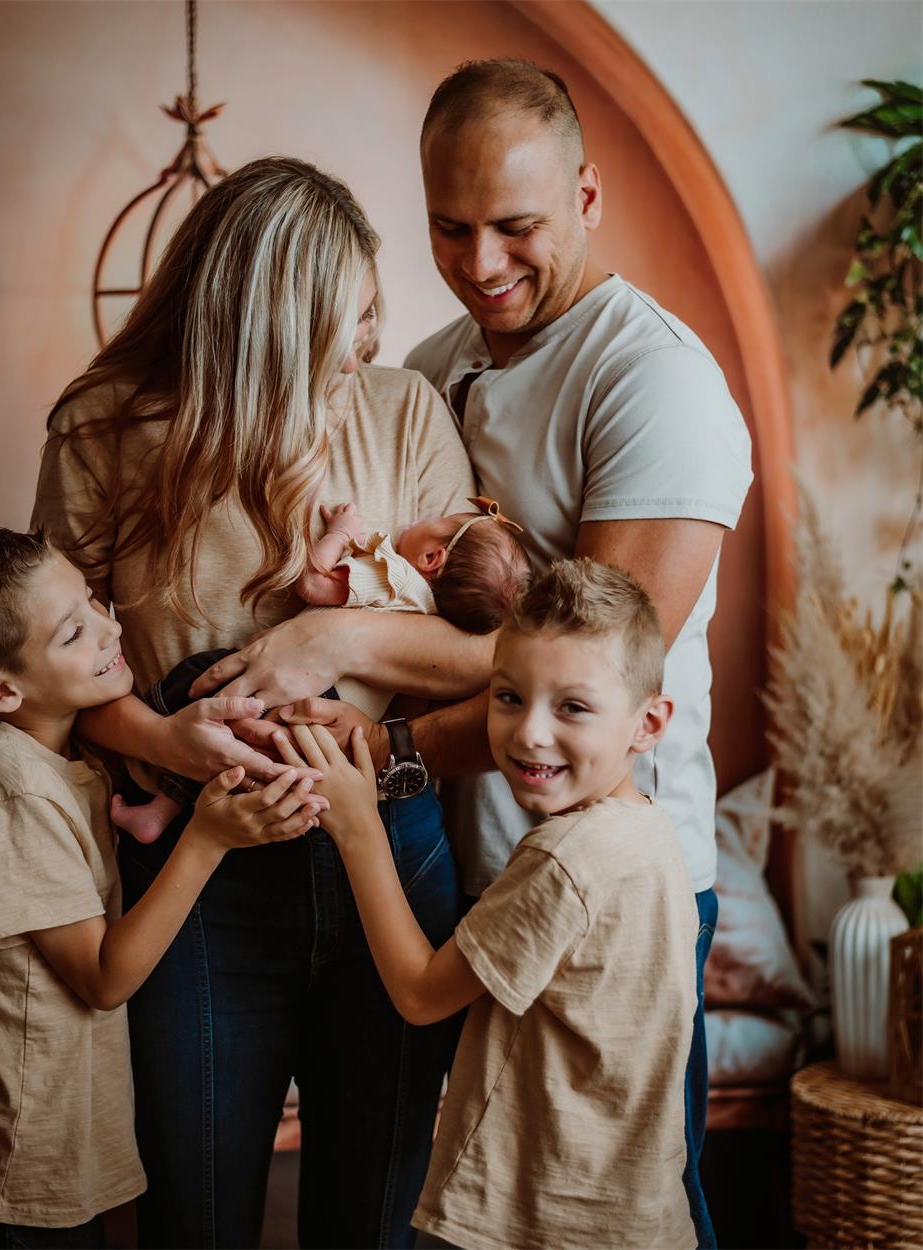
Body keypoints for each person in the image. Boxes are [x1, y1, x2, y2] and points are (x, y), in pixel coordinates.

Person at [189, 60, 753, 1246]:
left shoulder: (654, 380)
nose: (483, 261)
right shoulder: (437, 363)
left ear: (588, 199)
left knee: (631, 1194)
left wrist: (350, 674)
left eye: (517, 225)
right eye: (451, 228)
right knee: (500, 1191)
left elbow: (595, 669)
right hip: (466, 862)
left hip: (606, 881)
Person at [32, 157, 476, 1250]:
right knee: (197, 1213)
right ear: (265, 318)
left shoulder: (400, 411)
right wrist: (164, 741)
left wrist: (327, 634)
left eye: (372, 316)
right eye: (345, 320)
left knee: (372, 1219)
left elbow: (484, 651)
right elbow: (48, 677)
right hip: (198, 883)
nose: (364, 345)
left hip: (388, 851)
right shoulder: (101, 430)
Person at [281, 559, 698, 1250]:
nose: (530, 732)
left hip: (548, 1220)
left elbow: (419, 993)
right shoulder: (652, 836)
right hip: (640, 1214)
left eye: (572, 707)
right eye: (509, 697)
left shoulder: (563, 861)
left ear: (647, 723)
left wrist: (357, 824)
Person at [0, 528, 319, 1250]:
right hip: (16, 1161)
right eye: (75, 631)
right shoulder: (9, 795)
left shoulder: (59, 751)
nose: (111, 626)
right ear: (2, 689)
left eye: (92, 599)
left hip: (62, 1137)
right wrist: (207, 839)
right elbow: (103, 979)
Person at [113, 495, 530, 847]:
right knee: (227, 746)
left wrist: (339, 533)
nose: (419, 517)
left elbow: (313, 584)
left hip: (297, 689)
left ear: (431, 557)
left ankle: (153, 781)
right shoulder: (431, 620)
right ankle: (160, 813)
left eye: (436, 521)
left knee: (201, 686)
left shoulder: (394, 576)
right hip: (329, 725)